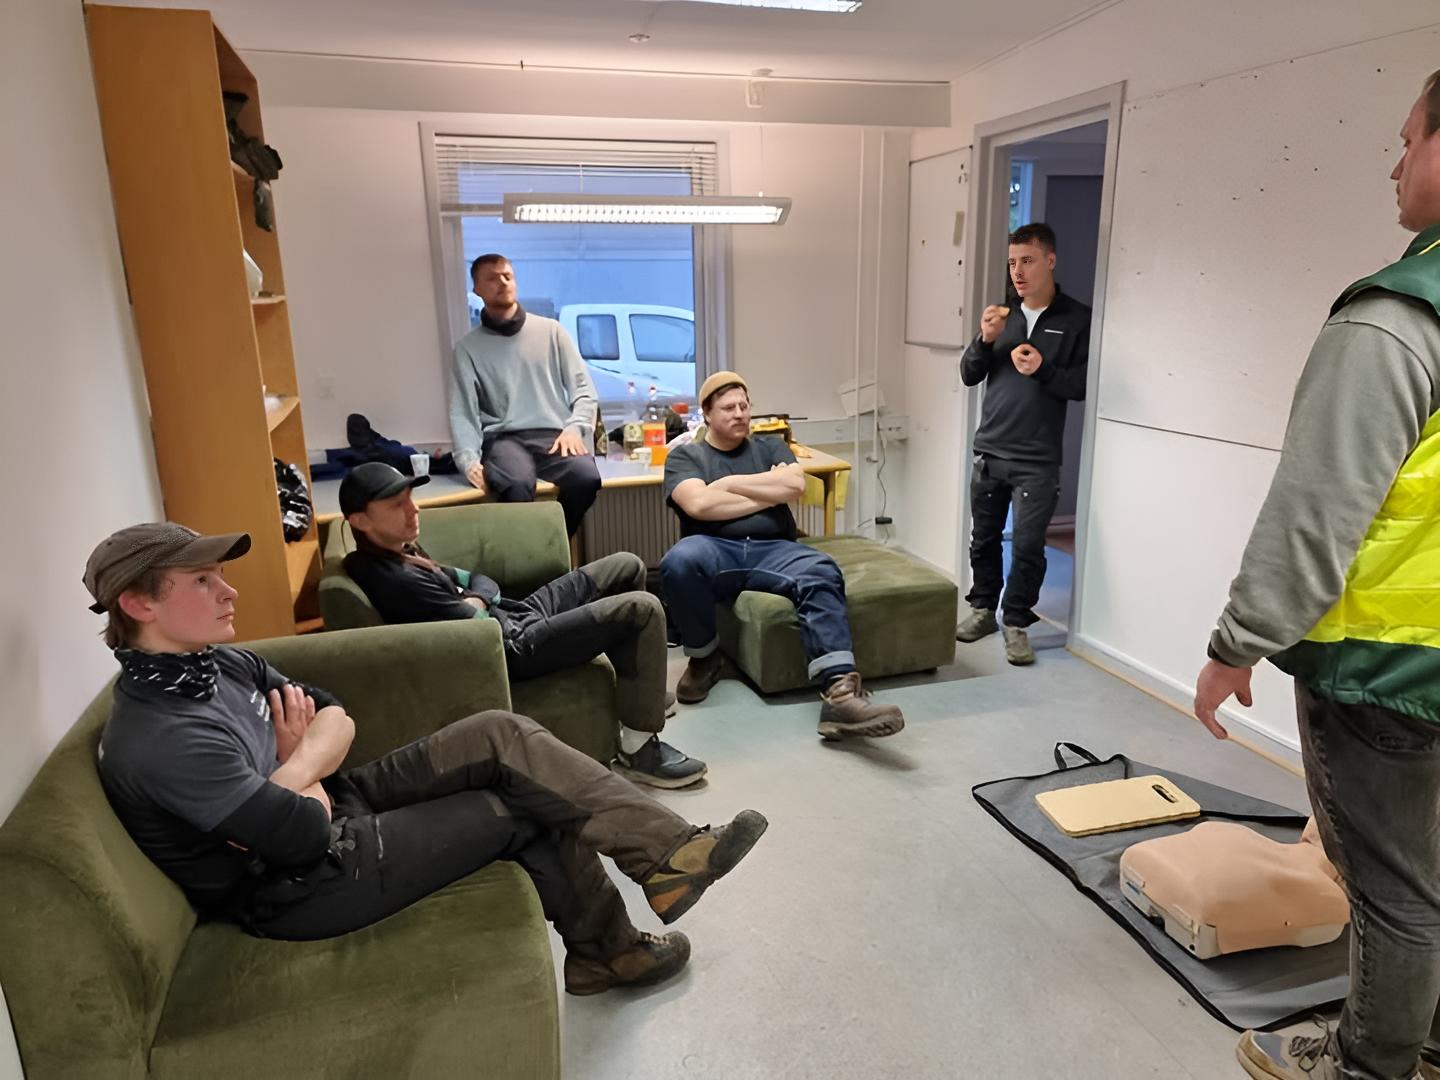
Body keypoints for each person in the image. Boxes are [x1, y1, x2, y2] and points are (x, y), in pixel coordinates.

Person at [84, 520, 767, 994]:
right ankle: (608, 954)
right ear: (139, 602)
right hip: (298, 886)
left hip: (331, 805)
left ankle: (667, 854)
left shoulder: (217, 662)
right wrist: (299, 766)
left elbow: (335, 711)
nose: (229, 591)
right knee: (520, 808)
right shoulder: (165, 736)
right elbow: (301, 836)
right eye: (202, 581)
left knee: (498, 733)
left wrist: (296, 770)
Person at [1194, 70, 1440, 1080]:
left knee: (1393, 891)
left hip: (1389, 668)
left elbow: (1316, 510)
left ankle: (1370, 1064)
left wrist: (1235, 646)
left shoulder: (1396, 318)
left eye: (1409, 140)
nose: (1395, 163)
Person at [339, 461, 706, 789]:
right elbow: (474, 627)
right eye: (397, 504)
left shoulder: (403, 550)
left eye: (410, 498)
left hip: (513, 615)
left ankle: (639, 693)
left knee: (625, 565)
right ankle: (638, 749)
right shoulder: (395, 579)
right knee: (642, 608)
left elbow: (479, 580)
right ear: (360, 521)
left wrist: (479, 597)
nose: (414, 508)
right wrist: (481, 599)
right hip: (513, 646)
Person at [660, 371, 905, 741]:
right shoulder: (686, 456)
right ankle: (705, 657)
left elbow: (794, 485)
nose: (740, 413)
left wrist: (728, 485)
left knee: (820, 569)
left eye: (744, 406)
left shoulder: (771, 446)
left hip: (773, 548)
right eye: (728, 408)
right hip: (712, 548)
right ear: (707, 414)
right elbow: (700, 506)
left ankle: (840, 694)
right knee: (678, 562)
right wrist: (767, 492)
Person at [955, 223, 1091, 666]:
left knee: (1029, 546)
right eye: (1013, 262)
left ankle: (1016, 621)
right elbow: (969, 374)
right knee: (983, 539)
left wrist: (1042, 370)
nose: (1018, 271)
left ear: (1050, 260)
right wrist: (985, 339)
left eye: (1027, 261)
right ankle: (982, 610)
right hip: (990, 449)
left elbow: (1081, 386)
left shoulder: (1077, 319)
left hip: (1037, 459)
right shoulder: (1002, 315)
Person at [449, 253, 601, 537]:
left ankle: (550, 545)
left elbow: (584, 391)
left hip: (553, 435)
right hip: (504, 439)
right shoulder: (467, 348)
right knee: (516, 486)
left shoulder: (552, 331)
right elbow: (463, 412)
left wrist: (575, 428)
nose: (502, 282)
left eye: (507, 276)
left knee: (586, 478)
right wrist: (467, 460)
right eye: (492, 278)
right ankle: (532, 553)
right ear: (477, 289)